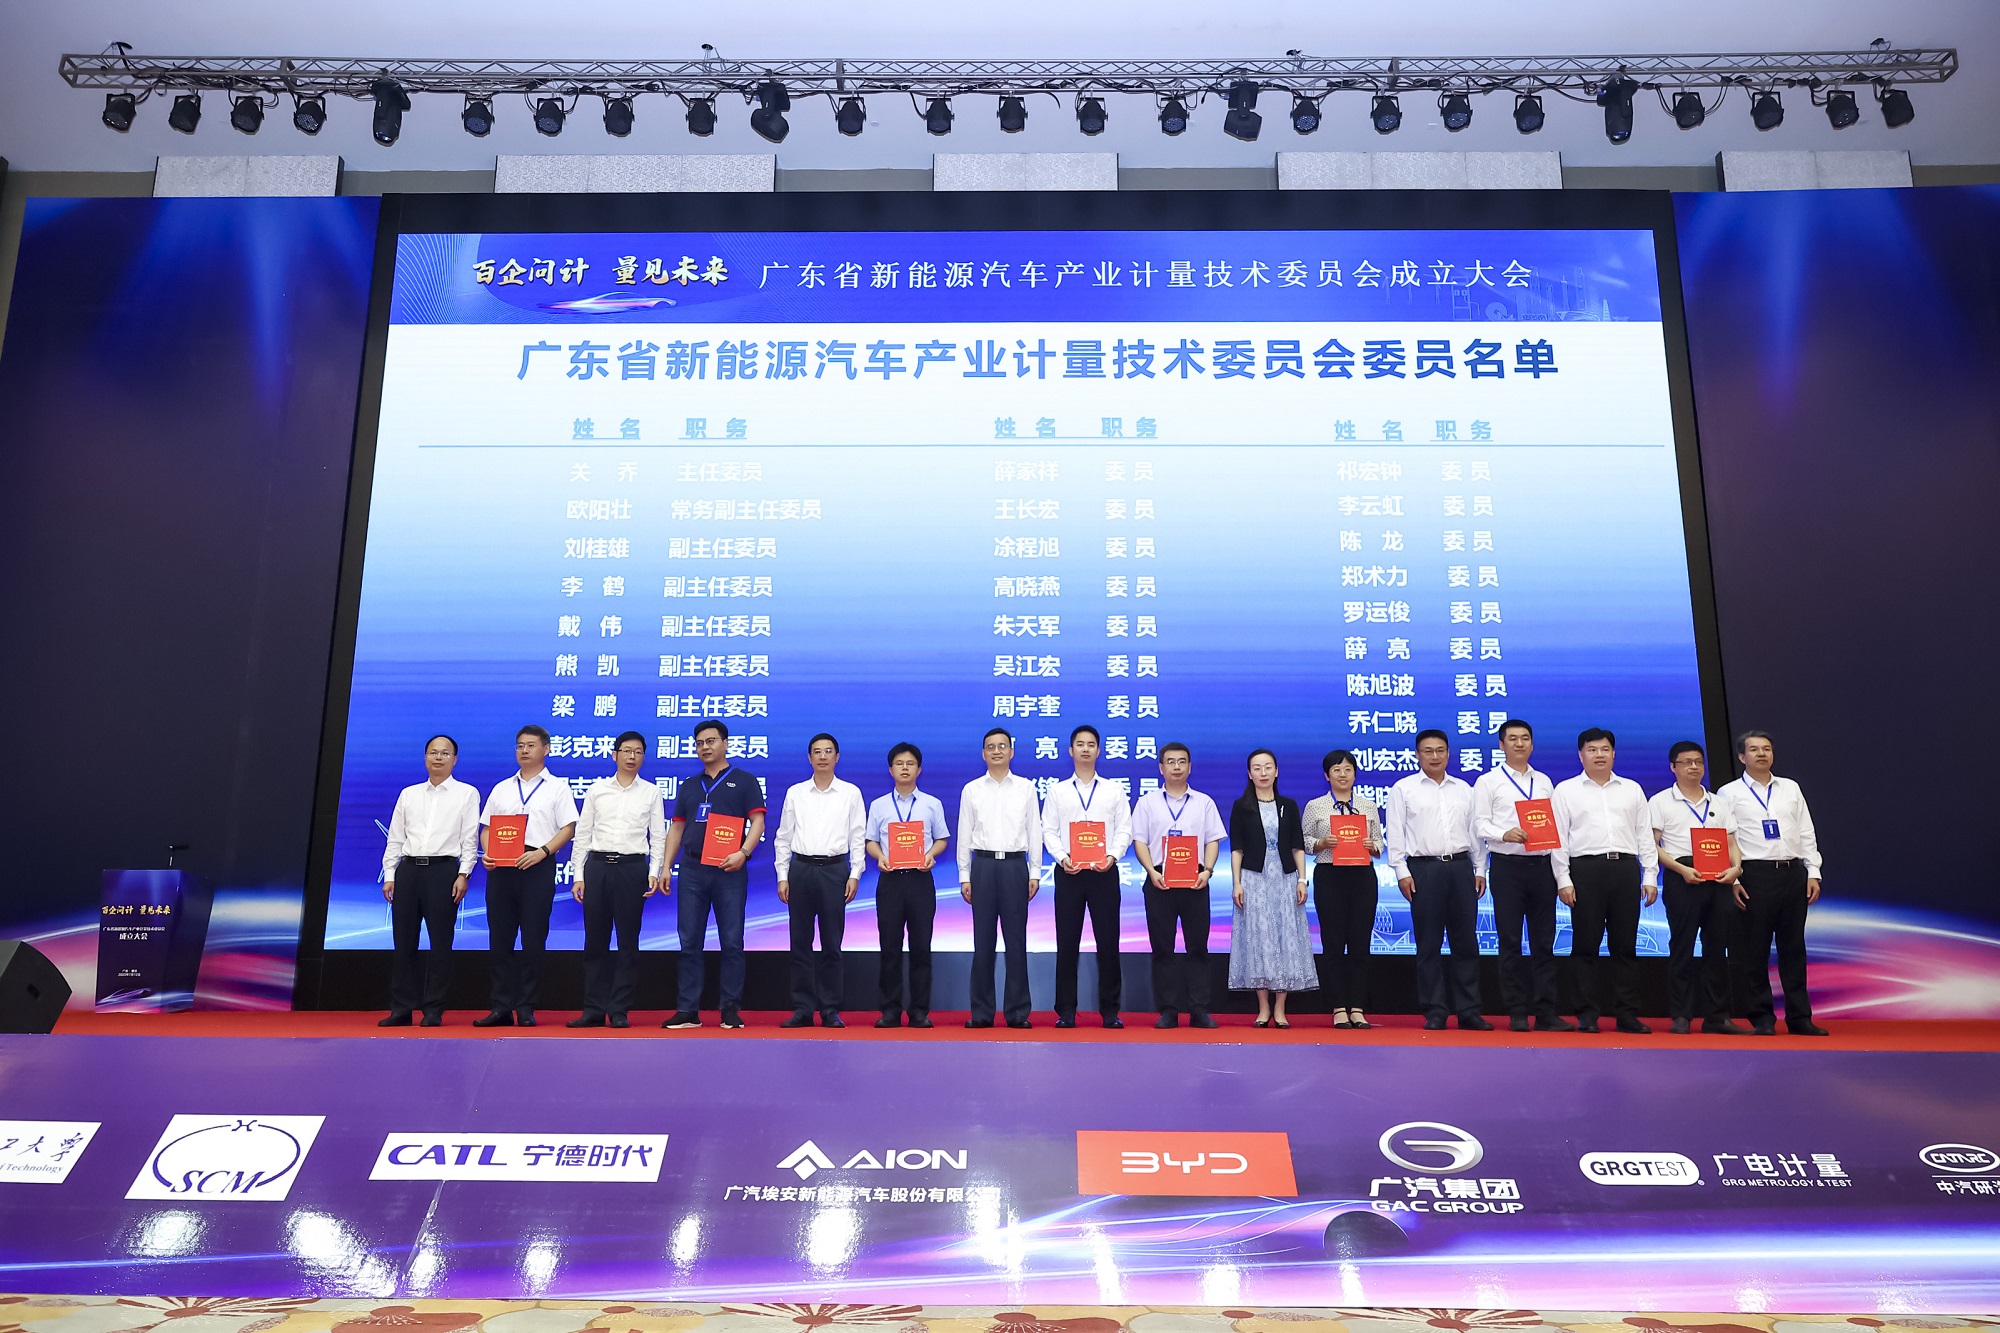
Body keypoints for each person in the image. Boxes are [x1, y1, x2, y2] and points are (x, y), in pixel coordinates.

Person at [1715, 730, 1828, 1036]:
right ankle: (1762, 1017)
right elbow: (1725, 838)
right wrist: (1733, 878)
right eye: (1754, 749)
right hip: (1753, 874)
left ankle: (1800, 1018)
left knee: (1794, 948)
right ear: (1742, 757)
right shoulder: (1728, 793)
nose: (1762, 754)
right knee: (1755, 950)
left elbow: (1806, 831)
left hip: (1792, 873)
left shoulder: (1790, 788)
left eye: (1766, 749)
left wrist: (1813, 871)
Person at [1552, 727, 1659, 1035]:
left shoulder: (1631, 789)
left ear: (1614, 753)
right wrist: (1563, 879)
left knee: (1625, 946)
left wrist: (1650, 874)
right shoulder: (1565, 791)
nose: (1599, 755)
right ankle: (1587, 1014)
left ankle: (1627, 1014)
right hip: (1585, 871)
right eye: (1592, 749)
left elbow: (1644, 835)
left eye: (1604, 749)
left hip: (1624, 869)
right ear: (1580, 755)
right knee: (1585, 946)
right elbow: (1559, 839)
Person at [660, 718, 766, 1030]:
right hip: (692, 869)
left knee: (731, 941)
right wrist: (666, 866)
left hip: (729, 870)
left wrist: (743, 853)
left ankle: (730, 1009)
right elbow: (677, 828)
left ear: (725, 744)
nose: (705, 747)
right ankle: (687, 1010)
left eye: (711, 741)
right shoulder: (690, 785)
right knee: (689, 941)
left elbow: (758, 822)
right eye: (699, 743)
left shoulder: (744, 780)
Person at [1385, 730, 1491, 1031]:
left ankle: (1469, 1010)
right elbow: (1396, 833)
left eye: (1440, 750)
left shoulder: (1464, 789)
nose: (1435, 756)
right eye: (1428, 751)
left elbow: (1475, 834)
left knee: (1466, 942)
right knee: (1429, 943)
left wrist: (1480, 869)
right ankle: (1435, 1010)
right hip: (1424, 870)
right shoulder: (1404, 789)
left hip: (1461, 868)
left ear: (1448, 753)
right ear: (1417, 755)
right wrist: (1402, 872)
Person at [1473, 719, 1574, 1032]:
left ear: (1532, 743)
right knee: (1510, 942)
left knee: (1544, 942)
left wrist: (1562, 876)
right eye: (1513, 739)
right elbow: (1479, 824)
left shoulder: (1543, 781)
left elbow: (1556, 830)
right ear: (1501, 745)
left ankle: (1546, 1012)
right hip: (1507, 868)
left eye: (1525, 738)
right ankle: (1517, 1011)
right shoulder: (1488, 782)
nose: (1519, 743)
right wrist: (1504, 833)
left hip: (1542, 868)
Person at [475, 724, 579, 1028]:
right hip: (502, 868)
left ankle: (526, 1007)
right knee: (500, 939)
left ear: (546, 749)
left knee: (533, 939)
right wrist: (489, 853)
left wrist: (542, 852)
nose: (524, 750)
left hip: (537, 865)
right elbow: (486, 828)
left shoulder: (558, 787)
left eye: (531, 745)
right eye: (520, 745)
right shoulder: (502, 788)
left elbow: (569, 828)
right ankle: (501, 1007)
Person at [1649, 740, 1749, 1035]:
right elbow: (1652, 846)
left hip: (1719, 877)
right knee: (1682, 946)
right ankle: (1682, 1015)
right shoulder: (1660, 802)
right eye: (1686, 762)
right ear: (1673, 767)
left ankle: (1717, 1016)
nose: (1694, 767)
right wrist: (1680, 869)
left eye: (1698, 762)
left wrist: (1737, 869)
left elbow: (1732, 842)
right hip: (1683, 876)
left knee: (1717, 947)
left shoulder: (1718, 802)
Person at [380, 734, 480, 1027]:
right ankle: (401, 1009)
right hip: (408, 871)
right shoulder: (409, 794)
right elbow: (395, 838)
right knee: (404, 943)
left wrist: (464, 874)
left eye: (445, 753)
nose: (438, 757)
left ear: (455, 760)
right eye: (433, 752)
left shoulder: (467, 793)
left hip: (443, 872)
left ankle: (434, 1009)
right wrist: (390, 875)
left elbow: (470, 839)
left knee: (440, 943)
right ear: (425, 757)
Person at [566, 731, 664, 1029]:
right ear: (615, 754)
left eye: (638, 752)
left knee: (627, 942)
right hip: (597, 867)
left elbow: (658, 836)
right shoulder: (597, 790)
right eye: (626, 751)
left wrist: (653, 872)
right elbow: (583, 834)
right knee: (595, 941)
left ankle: (619, 1009)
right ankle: (593, 1009)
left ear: (643, 756)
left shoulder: (651, 792)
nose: (632, 756)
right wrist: (579, 874)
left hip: (632, 869)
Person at [1041, 724, 1134, 1029]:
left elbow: (1124, 829)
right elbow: (1048, 830)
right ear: (1071, 751)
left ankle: (1110, 1011)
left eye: (1090, 744)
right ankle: (1066, 1011)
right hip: (1069, 872)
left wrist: (1112, 856)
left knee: (1108, 942)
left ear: (1098, 750)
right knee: (1067, 942)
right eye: (1079, 744)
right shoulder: (1057, 791)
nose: (1085, 749)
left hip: (1103, 873)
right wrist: (1062, 857)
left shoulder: (1113, 790)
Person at [773, 732, 866, 1028]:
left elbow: (858, 837)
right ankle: (802, 1008)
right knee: (800, 942)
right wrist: (782, 875)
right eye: (817, 751)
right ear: (809, 757)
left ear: (837, 757)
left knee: (832, 944)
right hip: (801, 870)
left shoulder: (850, 793)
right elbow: (783, 837)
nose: (823, 756)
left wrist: (855, 873)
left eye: (828, 751)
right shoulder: (796, 793)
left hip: (834, 870)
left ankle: (829, 1009)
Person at [1130, 742, 1226, 1029]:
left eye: (1181, 761)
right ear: (1161, 768)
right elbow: (1139, 841)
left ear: (1189, 767)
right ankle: (1168, 1010)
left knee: (1198, 947)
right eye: (1170, 762)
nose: (1176, 767)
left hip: (1195, 880)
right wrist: (1151, 871)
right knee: (1163, 948)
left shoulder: (1204, 802)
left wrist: (1208, 871)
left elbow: (1212, 840)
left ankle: (1199, 1009)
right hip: (1159, 880)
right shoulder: (1147, 802)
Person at [957, 727, 1041, 1029]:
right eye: (991, 747)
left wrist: (1035, 871)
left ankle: (1017, 1012)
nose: (996, 751)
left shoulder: (1026, 788)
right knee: (983, 943)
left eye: (1002, 746)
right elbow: (964, 834)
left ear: (1011, 751)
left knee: (1016, 942)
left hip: (1015, 867)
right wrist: (964, 875)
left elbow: (1035, 831)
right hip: (983, 866)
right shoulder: (972, 790)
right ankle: (981, 1012)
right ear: (983, 753)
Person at [1226, 749, 1314, 1028]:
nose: (1263, 773)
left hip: (1285, 878)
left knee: (1285, 937)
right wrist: (1237, 883)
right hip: (1254, 879)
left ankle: (1280, 1008)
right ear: (1249, 773)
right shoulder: (1241, 806)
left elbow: (1297, 846)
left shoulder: (1288, 805)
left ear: (1276, 771)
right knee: (1259, 939)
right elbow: (1237, 849)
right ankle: (1263, 1007)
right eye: (1257, 768)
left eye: (1268, 767)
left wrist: (1302, 879)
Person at [865, 743, 950, 1028]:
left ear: (919, 769)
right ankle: (890, 1010)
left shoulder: (931, 804)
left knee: (921, 947)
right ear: (890, 770)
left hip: (920, 879)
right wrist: (880, 857)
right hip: (890, 880)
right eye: (899, 763)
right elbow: (870, 841)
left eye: (910, 763)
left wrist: (930, 855)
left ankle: (919, 1011)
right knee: (889, 947)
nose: (904, 768)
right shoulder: (879, 805)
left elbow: (941, 839)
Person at [1302, 748, 1383, 1029]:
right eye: (1336, 770)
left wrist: (1373, 846)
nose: (1343, 774)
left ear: (1355, 774)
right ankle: (1338, 1007)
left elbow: (1380, 842)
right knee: (1333, 942)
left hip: (1362, 876)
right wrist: (1321, 843)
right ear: (1327, 776)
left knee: (1360, 943)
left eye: (1348, 769)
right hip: (1330, 875)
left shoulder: (1368, 806)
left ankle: (1358, 1008)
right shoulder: (1315, 806)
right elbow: (1303, 841)